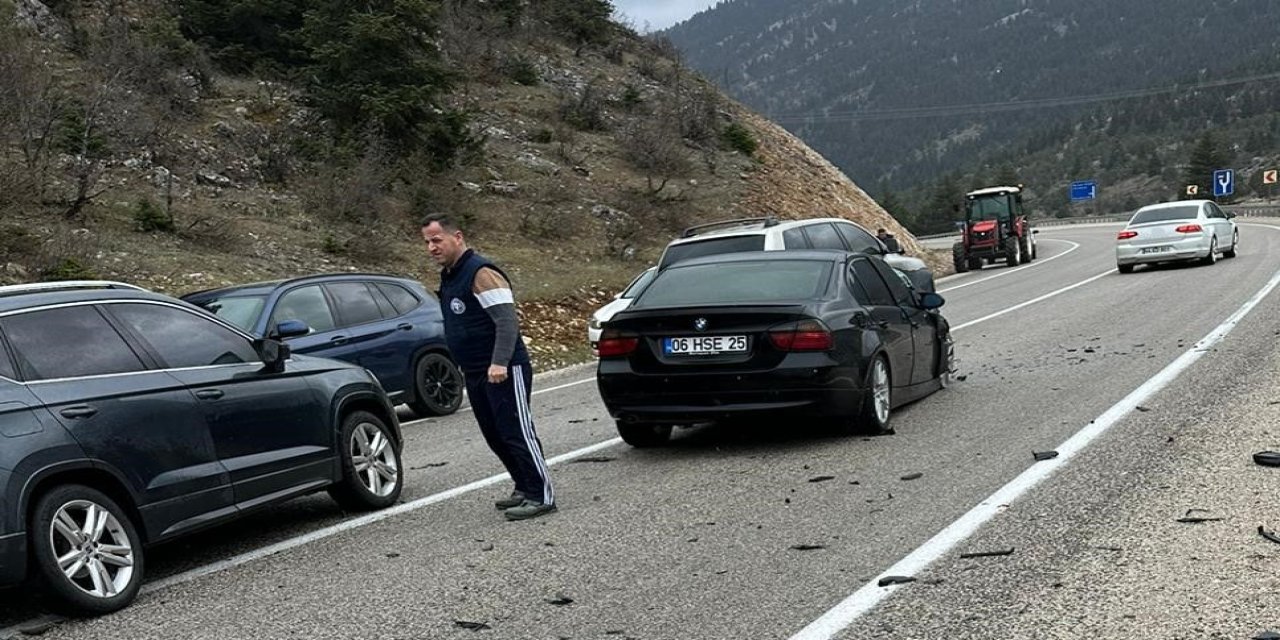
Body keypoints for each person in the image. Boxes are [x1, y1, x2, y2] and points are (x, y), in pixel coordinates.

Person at [420, 213, 556, 521]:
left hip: (503, 369)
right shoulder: (450, 275)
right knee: (494, 433)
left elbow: (506, 321)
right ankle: (523, 486)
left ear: (457, 237)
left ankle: (541, 494)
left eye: (437, 240)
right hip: (475, 371)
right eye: (427, 242)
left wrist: (499, 362)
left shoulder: (480, 272)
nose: (431, 247)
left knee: (516, 431)